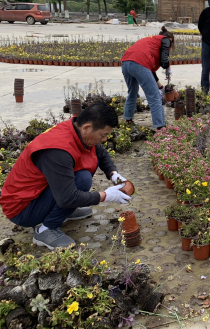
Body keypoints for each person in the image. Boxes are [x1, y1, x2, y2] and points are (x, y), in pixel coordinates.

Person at [0, 103, 132, 249]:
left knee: (81, 177)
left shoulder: (75, 130)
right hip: (23, 208)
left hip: (38, 193)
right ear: (87, 127)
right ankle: (46, 229)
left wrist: (113, 174)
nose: (105, 139)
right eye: (103, 135)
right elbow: (68, 197)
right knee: (82, 179)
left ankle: (64, 211)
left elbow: (100, 152)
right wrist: (105, 196)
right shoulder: (57, 150)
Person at [121, 27, 174, 130]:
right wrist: (168, 68)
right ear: (170, 40)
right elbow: (164, 62)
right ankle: (160, 127)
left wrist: (161, 87)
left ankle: (128, 120)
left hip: (125, 63)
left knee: (132, 93)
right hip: (139, 63)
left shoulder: (151, 41)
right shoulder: (166, 40)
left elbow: (150, 71)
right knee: (155, 97)